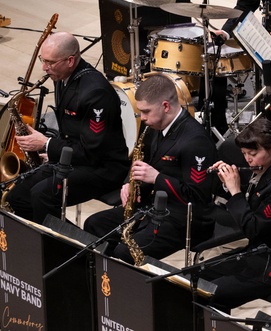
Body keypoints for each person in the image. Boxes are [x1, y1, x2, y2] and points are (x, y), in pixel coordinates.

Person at [84, 73, 219, 261]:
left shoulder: (196, 141)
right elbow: (140, 161)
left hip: (182, 219)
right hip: (151, 207)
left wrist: (157, 178)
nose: (142, 117)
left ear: (165, 106)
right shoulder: (153, 127)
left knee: (125, 252)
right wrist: (128, 184)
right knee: (94, 224)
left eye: (146, 111)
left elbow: (197, 198)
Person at [9, 32, 129, 222]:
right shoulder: (61, 76)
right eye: (43, 60)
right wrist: (55, 152)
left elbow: (93, 152)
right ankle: (46, 243)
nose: (44, 67)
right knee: (17, 197)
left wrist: (47, 144)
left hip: (103, 168)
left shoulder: (96, 93)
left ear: (70, 60)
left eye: (50, 62)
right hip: (74, 157)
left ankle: (62, 249)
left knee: (42, 195)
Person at [201, 118, 271, 310]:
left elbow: (253, 228)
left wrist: (236, 192)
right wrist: (225, 181)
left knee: (212, 292)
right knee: (195, 276)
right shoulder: (261, 165)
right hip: (256, 252)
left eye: (253, 153)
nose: (247, 159)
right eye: (244, 153)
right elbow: (247, 196)